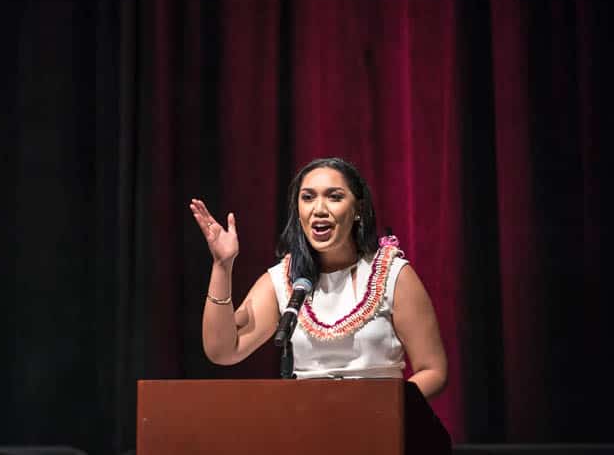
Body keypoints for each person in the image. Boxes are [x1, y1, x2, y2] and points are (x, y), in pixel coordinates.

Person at [189, 157, 447, 400]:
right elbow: (222, 350)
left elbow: (433, 371)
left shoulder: (392, 274)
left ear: (358, 209)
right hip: (307, 427)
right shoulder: (282, 280)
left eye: (334, 197)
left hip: (381, 427)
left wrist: (382, 408)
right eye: (308, 197)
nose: (319, 209)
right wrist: (222, 266)